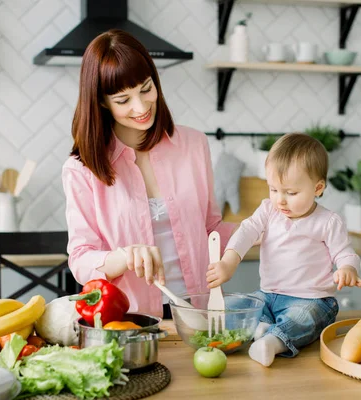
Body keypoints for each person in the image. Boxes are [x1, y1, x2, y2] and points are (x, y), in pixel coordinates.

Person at [62, 29, 235, 320]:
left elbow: (210, 229)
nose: (141, 107)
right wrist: (124, 256)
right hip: (130, 320)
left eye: (145, 88)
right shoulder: (82, 169)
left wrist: (263, 226)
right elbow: (80, 259)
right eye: (122, 100)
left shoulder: (194, 145)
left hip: (199, 312)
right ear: (102, 102)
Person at [206, 133, 361, 367]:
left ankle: (272, 342)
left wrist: (347, 268)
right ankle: (264, 329)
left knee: (301, 319)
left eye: (291, 193)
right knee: (229, 309)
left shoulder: (328, 221)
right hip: (267, 296)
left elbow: (345, 253)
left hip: (312, 300)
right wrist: (229, 262)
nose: (280, 200)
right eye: (273, 189)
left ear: (317, 188)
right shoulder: (268, 210)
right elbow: (246, 231)